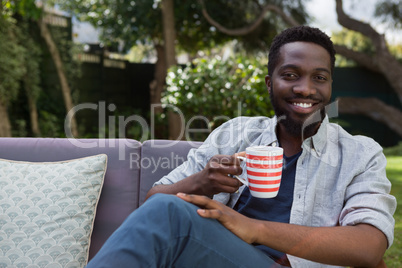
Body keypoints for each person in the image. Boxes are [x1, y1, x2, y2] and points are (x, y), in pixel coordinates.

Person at [86, 26, 396, 267]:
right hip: (214, 258)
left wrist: (253, 228)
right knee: (166, 211)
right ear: (269, 83)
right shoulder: (236, 133)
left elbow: (370, 245)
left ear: (330, 86)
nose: (305, 88)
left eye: (320, 77)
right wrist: (201, 181)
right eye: (290, 75)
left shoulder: (358, 153)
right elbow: (154, 204)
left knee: (169, 214)